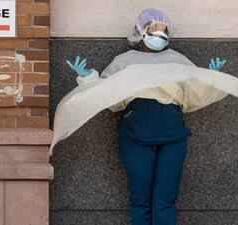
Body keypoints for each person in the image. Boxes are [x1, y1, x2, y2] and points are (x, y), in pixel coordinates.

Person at [66, 8, 227, 225]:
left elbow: (192, 95)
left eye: (164, 31)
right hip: (135, 136)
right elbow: (109, 95)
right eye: (155, 30)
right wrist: (89, 79)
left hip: (173, 138)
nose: (160, 36)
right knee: (141, 200)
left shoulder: (177, 60)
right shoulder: (125, 62)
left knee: (165, 200)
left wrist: (210, 79)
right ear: (141, 32)